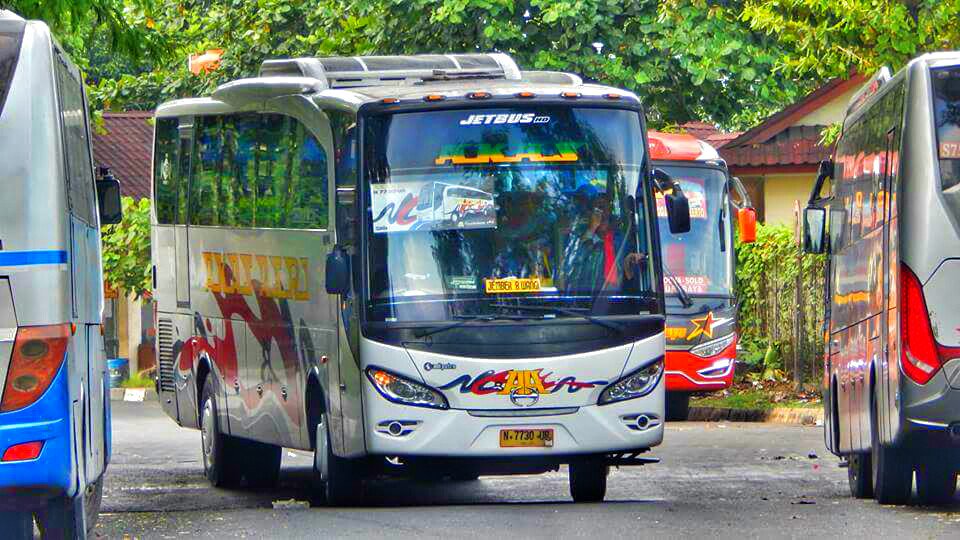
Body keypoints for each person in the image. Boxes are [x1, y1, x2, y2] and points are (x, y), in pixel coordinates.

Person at [560, 188, 646, 293]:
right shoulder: (580, 239)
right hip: (586, 302)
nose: (602, 213)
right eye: (598, 208)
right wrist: (592, 228)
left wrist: (630, 264)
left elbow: (631, 278)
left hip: (618, 302)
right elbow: (571, 268)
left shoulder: (622, 242)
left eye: (605, 208)